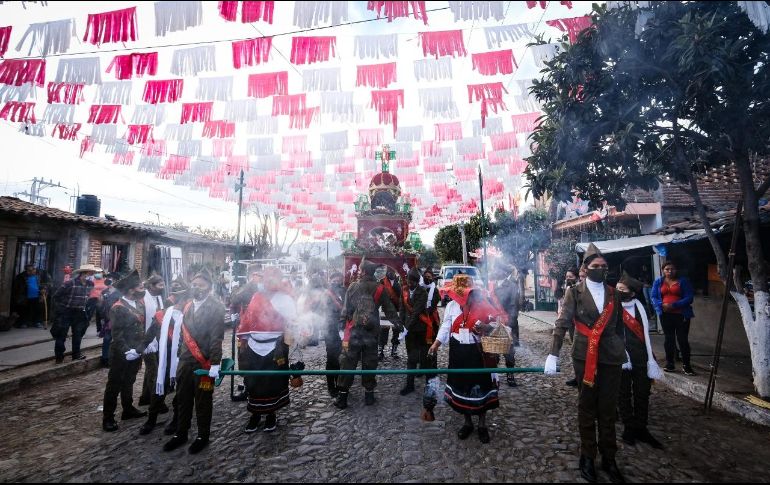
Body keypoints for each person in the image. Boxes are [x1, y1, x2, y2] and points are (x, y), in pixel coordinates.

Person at [544, 244, 626, 483]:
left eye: (604, 266)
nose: (601, 270)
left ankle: (609, 458)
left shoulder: (615, 293)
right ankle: (587, 456)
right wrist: (553, 353)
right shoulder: (574, 292)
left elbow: (619, 326)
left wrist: (625, 352)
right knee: (587, 406)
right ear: (586, 268)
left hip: (611, 357)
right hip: (584, 355)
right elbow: (562, 323)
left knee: (608, 409)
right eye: (595, 266)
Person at [428, 274, 501, 444]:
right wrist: (436, 344)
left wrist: (486, 327)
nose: (462, 296)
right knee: (462, 386)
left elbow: (497, 325)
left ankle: (482, 424)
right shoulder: (452, 307)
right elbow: (446, 326)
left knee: (481, 386)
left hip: (477, 352)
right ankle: (467, 422)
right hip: (458, 352)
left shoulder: (482, 305)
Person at [163, 269, 226, 454]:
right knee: (182, 399)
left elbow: (216, 338)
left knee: (203, 401)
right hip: (185, 361)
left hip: (204, 363)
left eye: (201, 285)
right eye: (195, 284)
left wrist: (215, 363)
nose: (196, 288)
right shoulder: (188, 304)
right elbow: (182, 332)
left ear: (209, 287)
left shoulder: (216, 306)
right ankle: (181, 433)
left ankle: (202, 436)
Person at [236, 266, 296, 433]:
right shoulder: (256, 296)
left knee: (272, 382)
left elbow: (293, 322)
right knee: (253, 382)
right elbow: (248, 320)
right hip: (254, 347)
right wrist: (244, 342)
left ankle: (271, 414)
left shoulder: (285, 299)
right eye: (267, 278)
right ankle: (254, 414)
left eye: (273, 278)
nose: (269, 282)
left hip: (275, 348)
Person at [334, 261, 400, 409]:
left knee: (347, 362)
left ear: (363, 271)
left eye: (360, 270)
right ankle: (369, 395)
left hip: (353, 331)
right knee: (370, 362)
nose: (358, 272)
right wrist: (397, 322)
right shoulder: (380, 288)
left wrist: (341, 324)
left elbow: (346, 309)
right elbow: (389, 309)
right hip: (371, 332)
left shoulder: (352, 286)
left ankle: (342, 397)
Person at [616, 273, 664, 449]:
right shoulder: (612, 308)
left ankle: (641, 427)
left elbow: (645, 335)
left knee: (642, 393)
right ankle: (629, 426)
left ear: (632, 293)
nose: (618, 292)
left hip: (641, 357)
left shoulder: (641, 308)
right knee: (623, 393)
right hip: (621, 357)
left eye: (623, 290)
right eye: (618, 289)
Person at [139, 279, 192, 436]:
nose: (176, 301)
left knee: (181, 391)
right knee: (158, 388)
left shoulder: (191, 314)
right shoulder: (162, 314)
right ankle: (151, 419)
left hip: (184, 358)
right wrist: (139, 349)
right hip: (166, 357)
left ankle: (176, 419)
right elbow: (150, 332)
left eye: (181, 297)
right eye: (175, 296)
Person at [102, 269, 148, 432]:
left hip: (135, 350)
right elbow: (117, 334)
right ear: (130, 290)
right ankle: (108, 418)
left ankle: (127, 409)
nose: (143, 288)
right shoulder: (118, 308)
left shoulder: (140, 304)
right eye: (140, 286)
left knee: (129, 381)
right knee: (114, 385)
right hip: (121, 353)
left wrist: (138, 349)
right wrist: (127, 351)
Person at [651, 261, 695, 375]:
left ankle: (687, 365)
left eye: (672, 269)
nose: (670, 271)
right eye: (667, 269)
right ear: (663, 270)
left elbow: (689, 297)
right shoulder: (658, 282)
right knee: (668, 339)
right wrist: (661, 305)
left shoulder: (683, 281)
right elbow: (654, 296)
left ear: (676, 270)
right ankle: (670, 364)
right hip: (665, 315)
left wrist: (674, 305)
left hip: (681, 315)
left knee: (682, 340)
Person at [51, 264, 100, 363]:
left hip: (79, 312)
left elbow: (87, 298)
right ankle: (59, 356)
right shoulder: (70, 283)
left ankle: (76, 354)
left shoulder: (91, 284)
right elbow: (56, 296)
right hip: (66, 311)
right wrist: (61, 309)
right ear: (84, 273)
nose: (93, 275)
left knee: (78, 334)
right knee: (61, 335)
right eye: (91, 273)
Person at [398, 268, 431, 396]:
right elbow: (402, 308)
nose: (410, 283)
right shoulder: (404, 290)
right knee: (411, 358)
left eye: (413, 281)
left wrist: (407, 327)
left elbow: (416, 312)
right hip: (409, 329)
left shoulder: (423, 292)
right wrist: (402, 325)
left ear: (417, 282)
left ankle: (429, 383)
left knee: (424, 357)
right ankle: (409, 385)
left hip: (420, 329)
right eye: (409, 280)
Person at [489, 264, 520, 387]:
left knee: (509, 352)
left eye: (498, 269)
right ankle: (494, 377)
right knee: (493, 351)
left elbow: (514, 307)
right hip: (493, 323)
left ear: (504, 273)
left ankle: (510, 374)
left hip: (508, 323)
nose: (495, 270)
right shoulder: (491, 285)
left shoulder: (512, 286)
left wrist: (509, 325)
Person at [140, 274, 168, 406]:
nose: (162, 288)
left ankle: (145, 398)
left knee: (151, 370)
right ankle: (156, 401)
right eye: (160, 285)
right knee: (154, 371)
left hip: (158, 339)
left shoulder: (158, 298)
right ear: (151, 286)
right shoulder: (143, 298)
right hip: (147, 339)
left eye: (163, 285)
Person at [324, 271, 345, 398]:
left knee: (340, 359)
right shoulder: (327, 294)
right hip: (330, 329)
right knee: (331, 359)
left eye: (339, 280)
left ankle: (339, 384)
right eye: (334, 281)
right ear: (330, 280)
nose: (337, 283)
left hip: (342, 329)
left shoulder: (343, 291)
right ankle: (331, 386)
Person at [12, 264, 50, 329]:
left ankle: (37, 322)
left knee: (38, 309)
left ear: (35, 270)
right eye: (28, 270)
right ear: (26, 270)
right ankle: (24, 322)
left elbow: (46, 284)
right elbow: (17, 288)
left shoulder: (40, 275)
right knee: (25, 310)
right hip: (25, 296)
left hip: (37, 295)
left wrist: (44, 289)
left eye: (32, 270)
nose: (30, 272)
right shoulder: (21, 277)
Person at [561, 267, 580, 388]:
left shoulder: (579, 289)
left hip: (579, 323)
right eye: (567, 277)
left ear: (576, 277)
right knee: (574, 350)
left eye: (571, 277)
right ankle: (578, 376)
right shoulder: (567, 288)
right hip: (571, 323)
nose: (568, 279)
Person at [378, 267, 403, 360]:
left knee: (396, 330)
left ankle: (394, 351)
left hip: (397, 310)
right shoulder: (382, 281)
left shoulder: (399, 281)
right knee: (383, 331)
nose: (390, 273)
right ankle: (380, 351)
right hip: (385, 309)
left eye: (392, 271)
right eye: (389, 271)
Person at [97, 275, 121, 368]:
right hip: (107, 319)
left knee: (117, 339)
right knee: (107, 339)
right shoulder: (104, 291)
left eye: (112, 279)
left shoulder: (119, 293)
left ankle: (115, 359)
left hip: (117, 319)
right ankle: (105, 358)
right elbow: (100, 305)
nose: (110, 281)